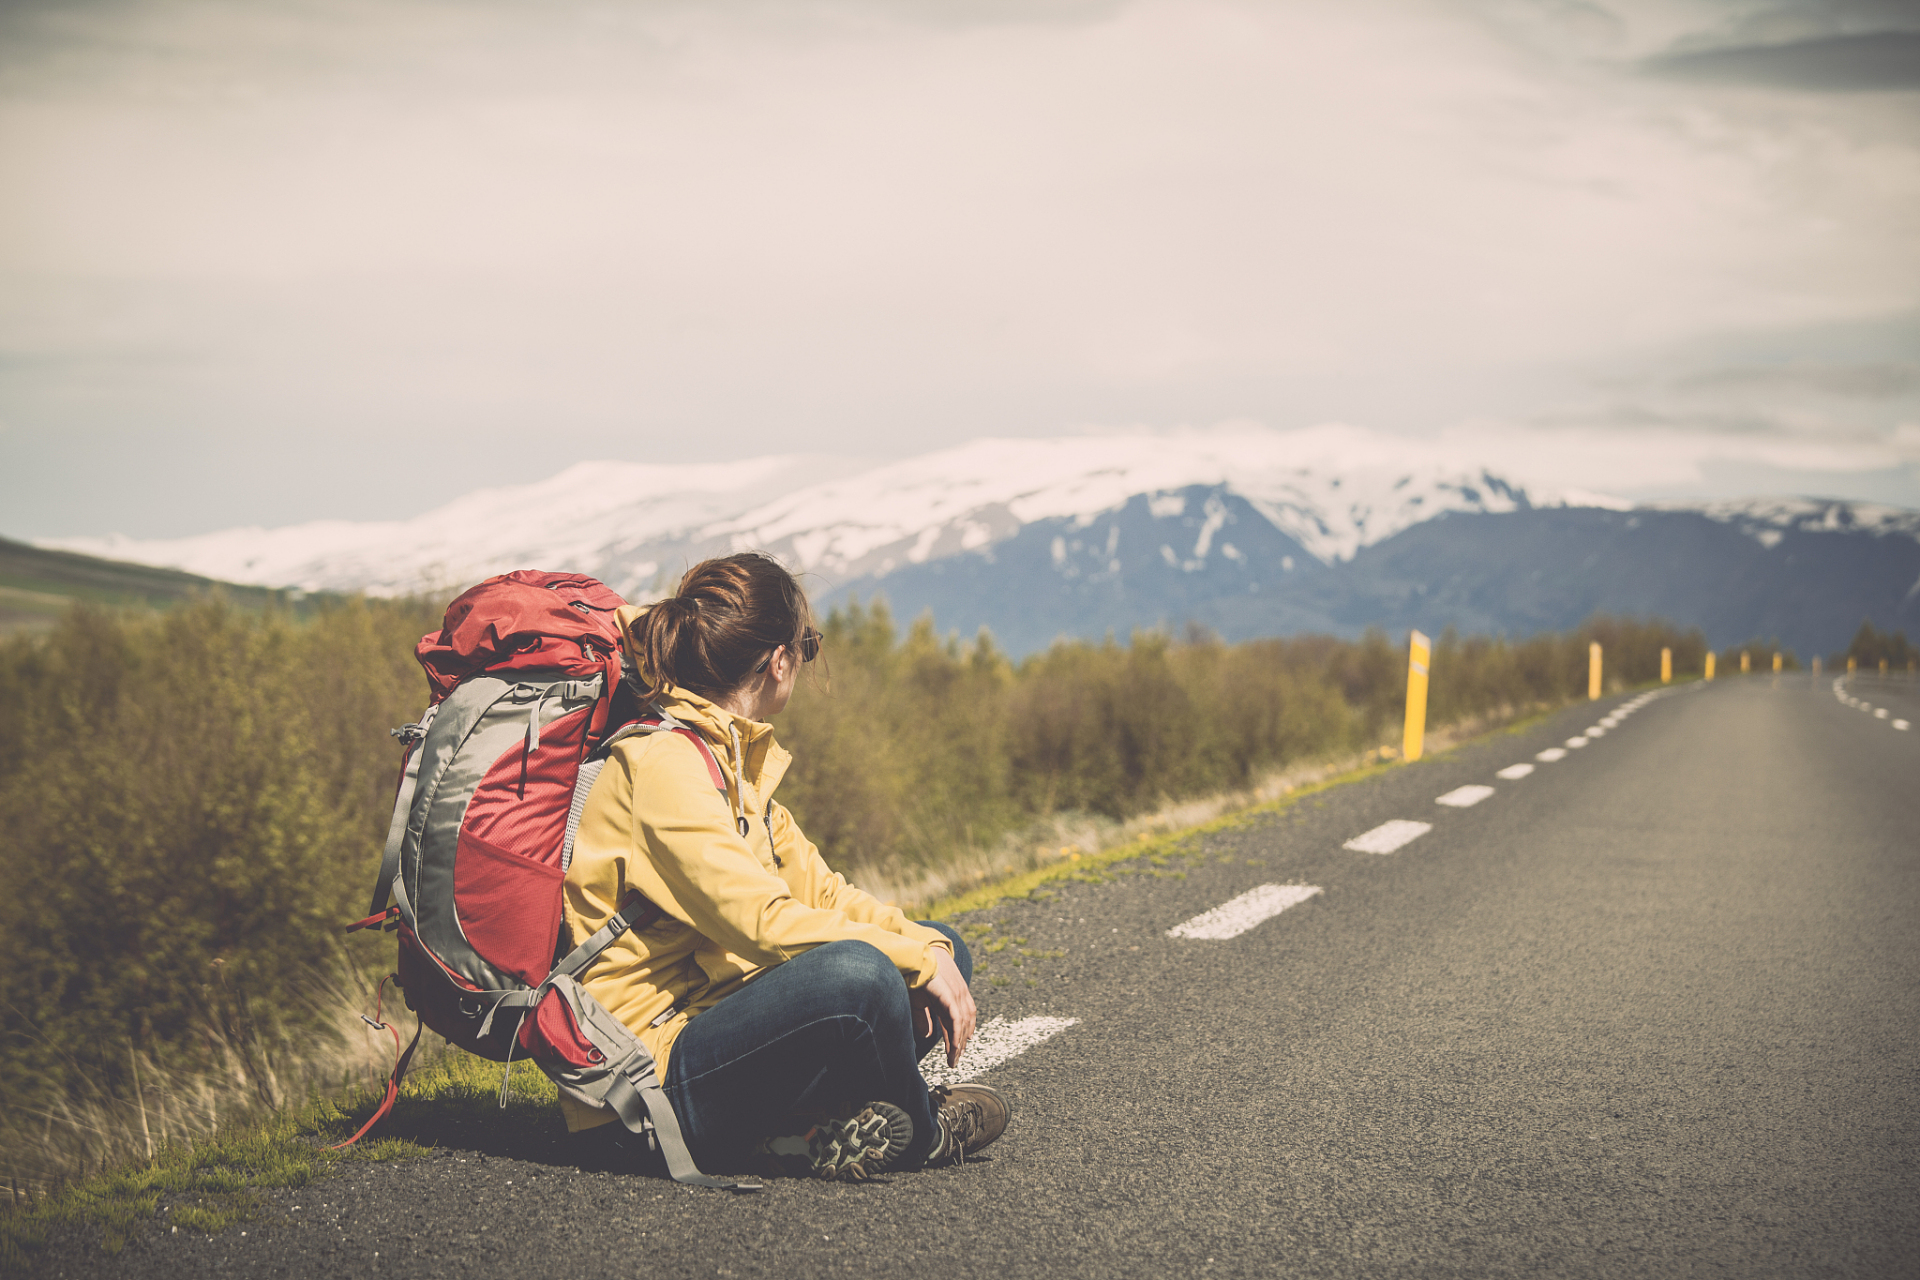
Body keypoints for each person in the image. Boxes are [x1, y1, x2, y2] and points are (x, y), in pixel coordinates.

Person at [560, 551, 1009, 1180]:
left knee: (942, 948)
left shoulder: (731, 762)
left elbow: (827, 895)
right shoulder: (663, 765)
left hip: (715, 1029)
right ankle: (922, 1134)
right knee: (864, 974)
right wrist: (906, 961)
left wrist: (926, 950)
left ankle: (801, 1130)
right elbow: (763, 924)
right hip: (644, 1086)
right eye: (809, 647)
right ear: (779, 661)